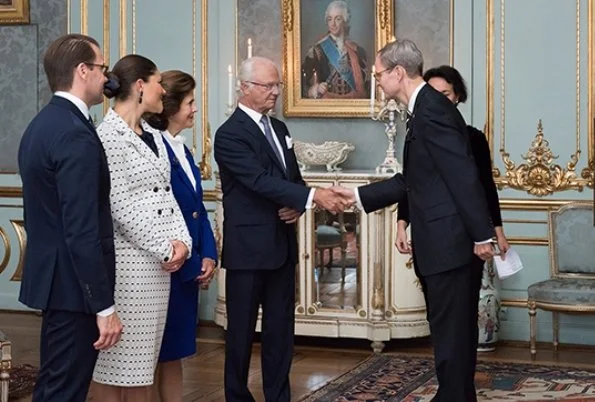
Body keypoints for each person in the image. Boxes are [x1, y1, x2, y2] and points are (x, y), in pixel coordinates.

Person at [334, 39, 496, 402]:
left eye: (378, 74)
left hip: (450, 243)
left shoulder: (432, 110)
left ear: (397, 73)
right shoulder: (423, 109)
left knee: (452, 334)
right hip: (444, 242)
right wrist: (359, 195)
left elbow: (463, 175)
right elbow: (415, 179)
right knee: (450, 332)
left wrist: (481, 235)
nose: (376, 80)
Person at [214, 56, 349, 402]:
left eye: (278, 85)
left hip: (281, 247)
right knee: (240, 334)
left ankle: (278, 397)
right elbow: (257, 181)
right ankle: (237, 396)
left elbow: (291, 179)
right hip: (248, 251)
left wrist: (300, 202)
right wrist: (312, 196)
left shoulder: (280, 129)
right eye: (268, 86)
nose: (275, 92)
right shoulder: (229, 134)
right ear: (244, 88)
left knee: (280, 332)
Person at [17, 34, 123, 402]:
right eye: (101, 68)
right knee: (63, 392)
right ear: (83, 71)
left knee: (56, 386)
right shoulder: (74, 134)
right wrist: (104, 305)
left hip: (56, 280)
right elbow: (81, 229)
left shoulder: (42, 125)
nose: (106, 77)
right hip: (74, 288)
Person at [91, 55, 192, 402]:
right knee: (116, 365)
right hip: (129, 269)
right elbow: (119, 205)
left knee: (143, 367)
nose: (163, 89)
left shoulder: (153, 133)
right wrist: (165, 247)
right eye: (158, 82)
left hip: (158, 270)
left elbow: (169, 193)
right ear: (139, 87)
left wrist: (183, 242)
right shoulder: (108, 136)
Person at [145, 70, 218, 402]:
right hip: (163, 267)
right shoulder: (153, 148)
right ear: (170, 106)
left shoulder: (184, 150)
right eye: (190, 103)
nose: (195, 109)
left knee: (174, 353)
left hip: (187, 265)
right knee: (148, 358)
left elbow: (198, 210)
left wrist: (208, 253)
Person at [395, 65, 509, 260]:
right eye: (433, 93)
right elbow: (411, 183)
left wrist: (497, 232)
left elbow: (485, 186)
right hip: (430, 234)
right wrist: (401, 225)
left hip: (467, 233)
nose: (439, 99)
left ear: (457, 96)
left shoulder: (474, 138)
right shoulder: (416, 135)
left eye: (445, 94)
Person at [301, 0, 368, 99]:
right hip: (326, 108)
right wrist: (316, 88)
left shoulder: (357, 51)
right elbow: (302, 85)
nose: (333, 24)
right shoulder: (316, 51)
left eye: (338, 19)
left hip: (352, 107)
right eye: (329, 19)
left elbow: (366, 86)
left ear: (345, 20)